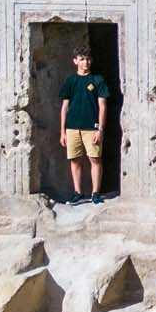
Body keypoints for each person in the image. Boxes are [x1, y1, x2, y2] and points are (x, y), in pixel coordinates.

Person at [57, 48, 110, 205]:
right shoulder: (70, 81)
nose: (85, 62)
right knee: (75, 160)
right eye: (81, 59)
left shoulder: (97, 80)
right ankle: (78, 192)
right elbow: (64, 107)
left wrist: (100, 129)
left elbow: (103, 106)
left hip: (91, 128)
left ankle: (95, 193)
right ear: (75, 61)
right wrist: (62, 132)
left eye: (87, 59)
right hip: (72, 127)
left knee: (95, 158)